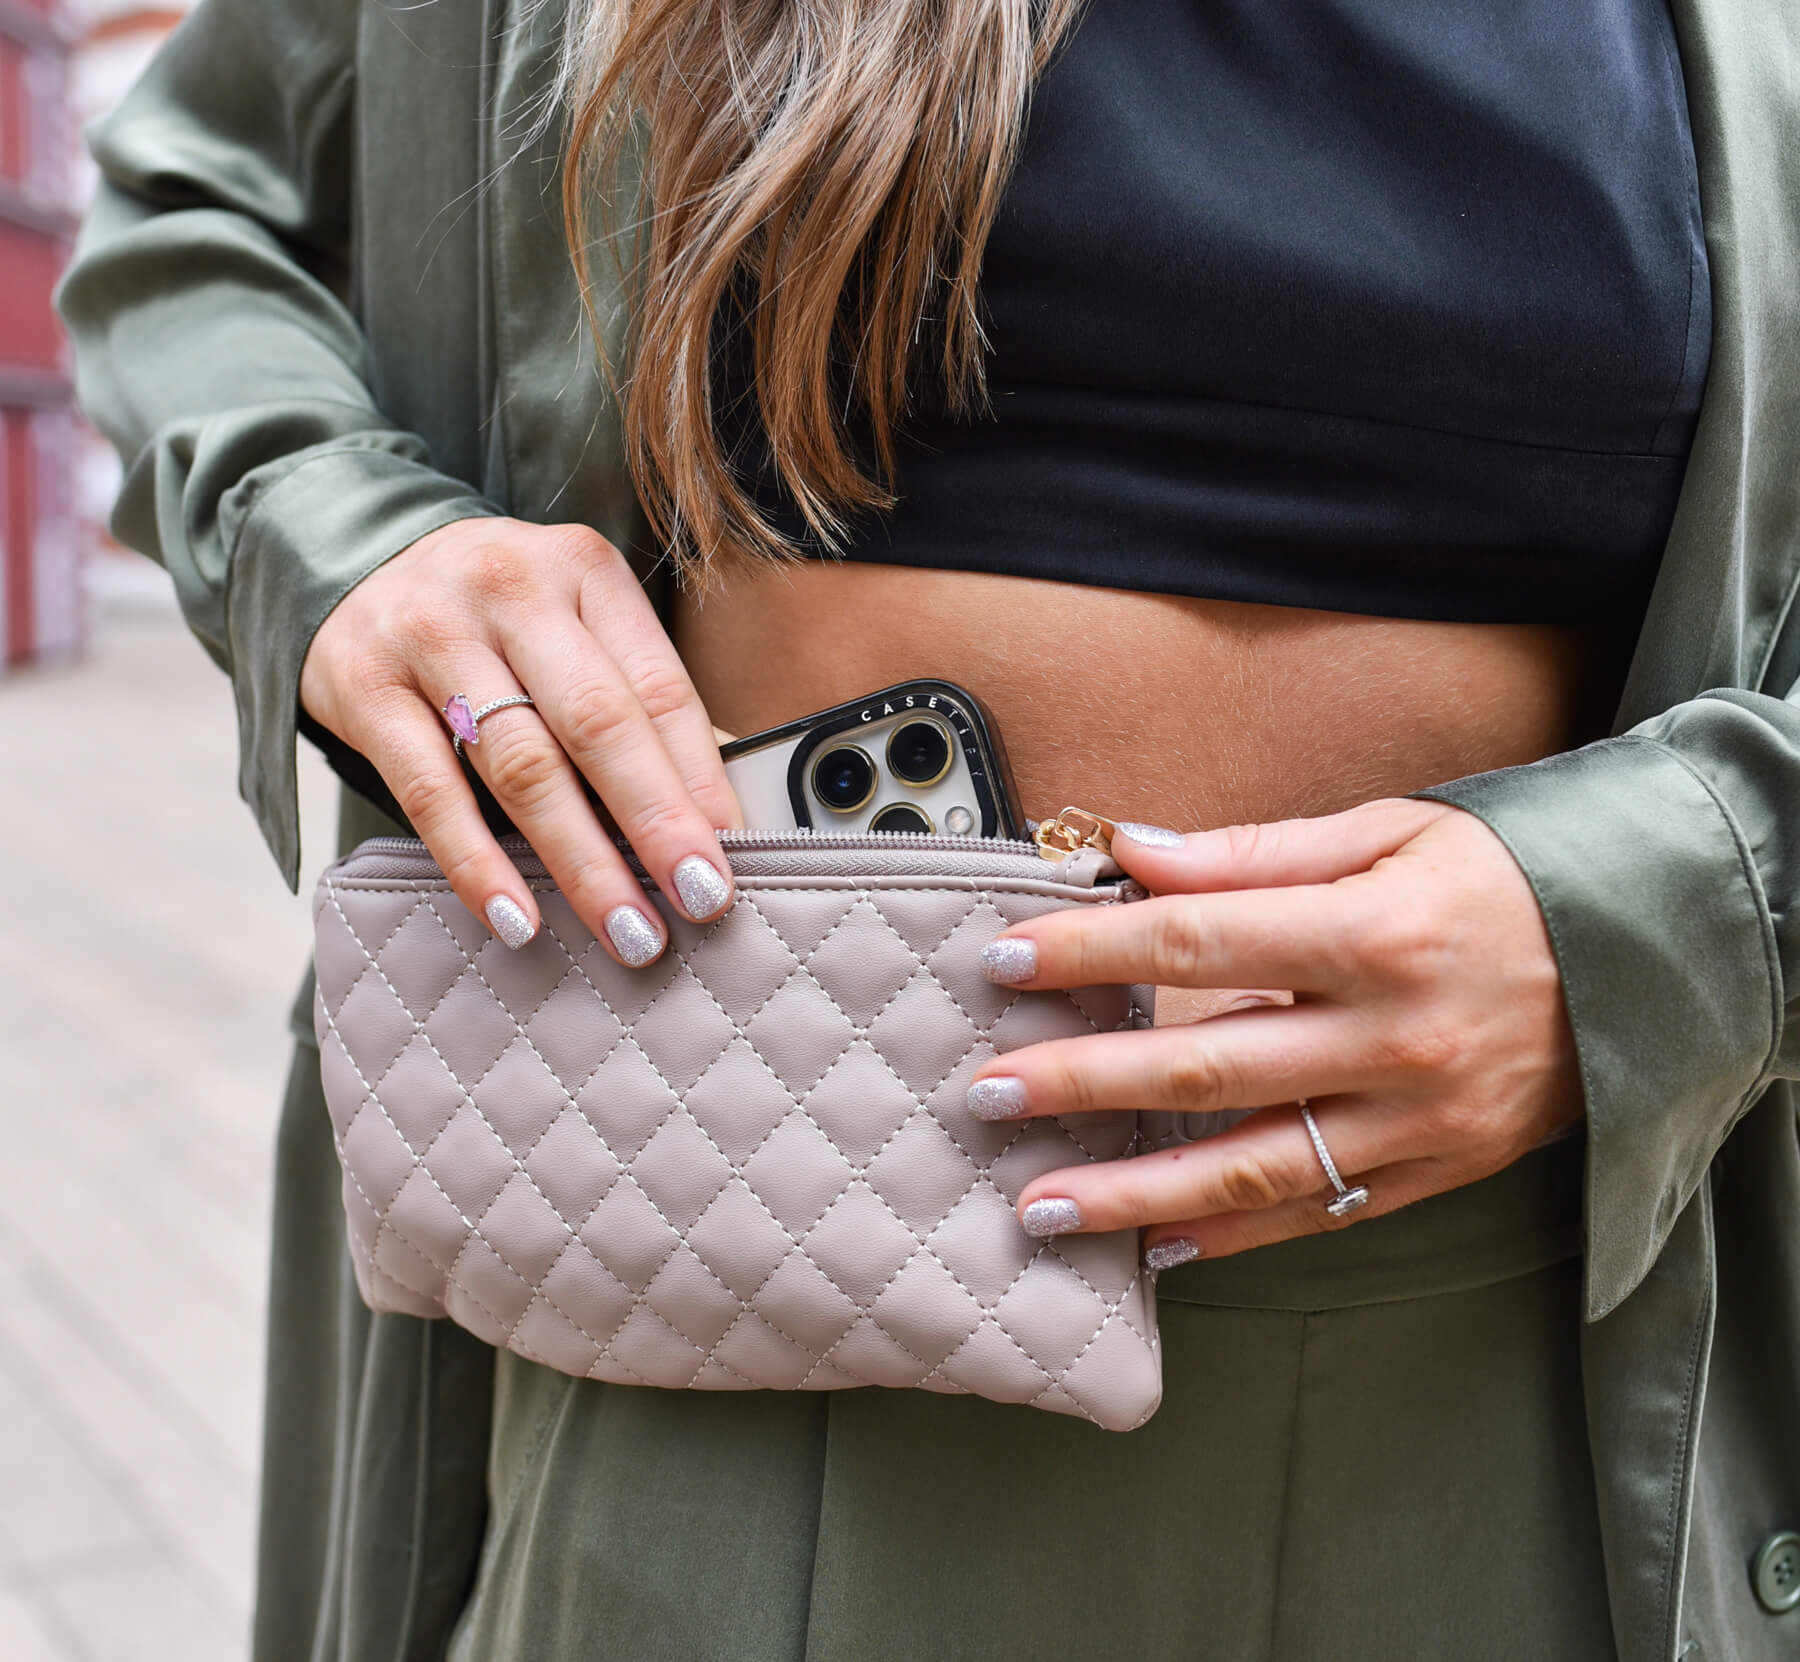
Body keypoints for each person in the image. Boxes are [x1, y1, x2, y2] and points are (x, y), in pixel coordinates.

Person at [54, 0, 1800, 1656]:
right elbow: (193, 195)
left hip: (1538, 1364)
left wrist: (1683, 907)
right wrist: (348, 537)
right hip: (739, 1295)